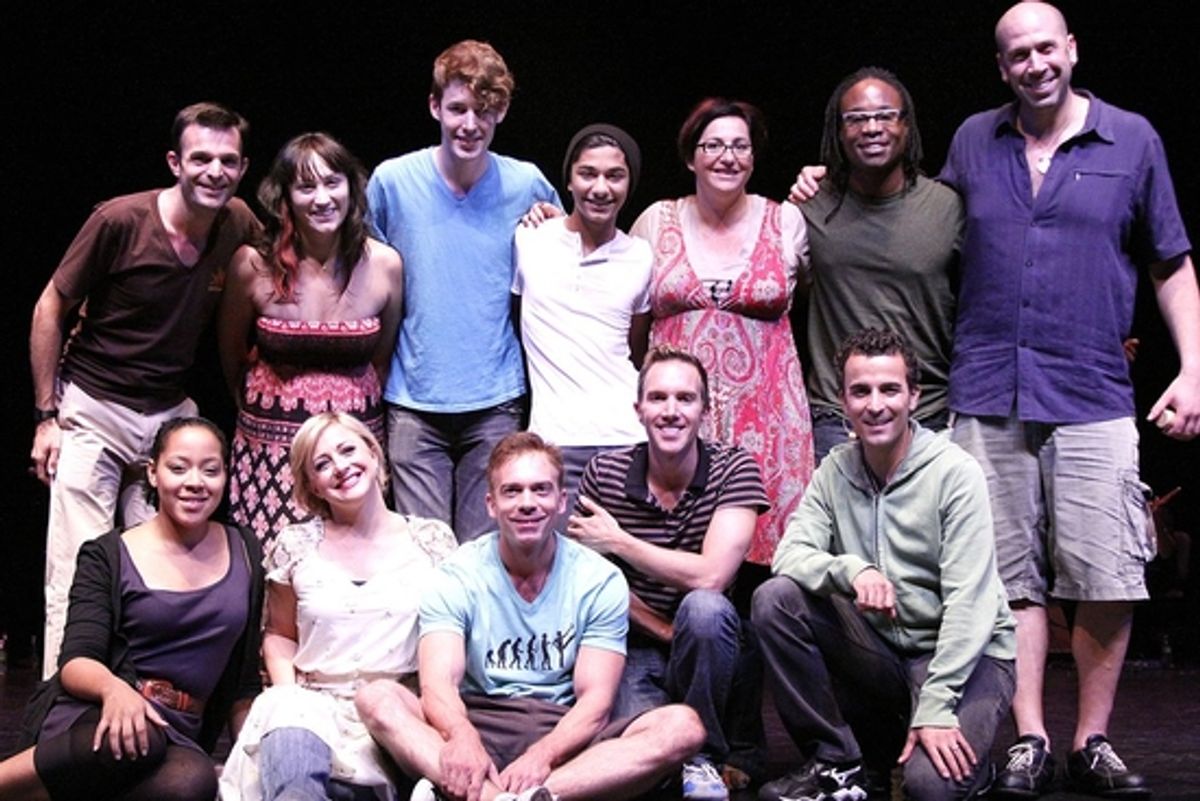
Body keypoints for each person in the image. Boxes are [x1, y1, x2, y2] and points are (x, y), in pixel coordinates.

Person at [938, 3, 1199, 797]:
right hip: (988, 390)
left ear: (1072, 49)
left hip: (1091, 389)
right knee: (1007, 577)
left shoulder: (1133, 139)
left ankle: (1092, 738)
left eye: (1046, 47)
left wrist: (1193, 369)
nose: (1034, 64)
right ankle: (1030, 736)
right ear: (1001, 67)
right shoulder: (973, 142)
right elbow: (918, 229)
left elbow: (1172, 263)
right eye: (1017, 54)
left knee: (1106, 572)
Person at [29, 102, 258, 676]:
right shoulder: (121, 221)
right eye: (201, 158)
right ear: (175, 161)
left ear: (243, 167)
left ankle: (149, 697)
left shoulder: (237, 224)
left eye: (227, 161)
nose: (214, 171)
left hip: (167, 416)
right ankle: (61, 710)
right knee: (80, 569)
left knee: (160, 571)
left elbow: (290, 258)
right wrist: (46, 416)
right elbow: (51, 305)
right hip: (95, 405)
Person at [355, 432, 705, 801]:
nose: (527, 503)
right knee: (377, 698)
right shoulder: (456, 574)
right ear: (491, 504)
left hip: (562, 731)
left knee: (682, 727)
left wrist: (543, 755)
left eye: (541, 490)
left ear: (561, 501)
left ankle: (523, 796)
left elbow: (595, 702)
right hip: (478, 720)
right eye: (512, 491)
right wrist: (462, 737)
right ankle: (503, 798)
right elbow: (439, 685)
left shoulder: (599, 579)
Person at [752, 329, 1015, 801]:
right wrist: (854, 571)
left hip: (963, 654)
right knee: (778, 600)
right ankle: (838, 762)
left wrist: (936, 706)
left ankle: (971, 768)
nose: (875, 405)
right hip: (884, 651)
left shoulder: (955, 474)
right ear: (843, 400)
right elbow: (788, 556)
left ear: (914, 395)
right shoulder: (835, 470)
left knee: (928, 790)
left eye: (889, 389)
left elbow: (970, 606)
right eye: (861, 391)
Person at [0, 417, 265, 801]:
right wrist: (115, 691)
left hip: (177, 730)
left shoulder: (245, 550)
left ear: (226, 476)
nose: (195, 482)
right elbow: (76, 661)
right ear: (153, 474)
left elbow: (244, 684)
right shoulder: (107, 554)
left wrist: (251, 762)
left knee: (194, 782)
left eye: (210, 470)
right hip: (96, 714)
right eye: (178, 468)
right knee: (135, 738)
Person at [367, 40, 560, 542]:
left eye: (485, 110)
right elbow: (365, 277)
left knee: (484, 555)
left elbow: (566, 262)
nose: (470, 124)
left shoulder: (527, 183)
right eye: (458, 108)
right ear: (435, 107)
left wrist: (554, 227)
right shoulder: (393, 181)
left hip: (495, 398)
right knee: (426, 554)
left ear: (503, 112)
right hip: (414, 399)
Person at [219, 412, 456, 800]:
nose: (340, 467)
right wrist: (288, 696)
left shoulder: (431, 539)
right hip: (314, 707)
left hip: (396, 712)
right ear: (312, 485)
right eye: (322, 464)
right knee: (294, 745)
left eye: (348, 450)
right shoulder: (295, 545)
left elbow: (448, 639)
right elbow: (279, 634)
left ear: (374, 452)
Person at [569, 345, 769, 800]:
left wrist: (620, 541)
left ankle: (704, 756)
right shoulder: (604, 473)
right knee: (643, 766)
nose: (671, 411)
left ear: (705, 409)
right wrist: (662, 630)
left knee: (703, 610)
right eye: (658, 398)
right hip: (633, 640)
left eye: (685, 398)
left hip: (712, 642)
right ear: (638, 409)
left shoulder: (733, 467)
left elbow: (711, 577)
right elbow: (595, 583)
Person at [631, 97, 812, 567]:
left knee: (767, 566)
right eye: (713, 145)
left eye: (740, 146)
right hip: (680, 417)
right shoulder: (655, 220)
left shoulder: (787, 220)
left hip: (770, 420)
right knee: (680, 554)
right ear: (691, 156)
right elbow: (620, 302)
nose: (727, 157)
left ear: (753, 157)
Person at [219, 132, 404, 541]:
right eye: (306, 186)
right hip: (269, 452)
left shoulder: (385, 264)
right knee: (275, 576)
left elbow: (383, 359)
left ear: (352, 189)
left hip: (352, 454)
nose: (322, 198)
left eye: (332, 182)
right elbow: (231, 353)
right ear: (284, 197)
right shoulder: (252, 264)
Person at [793, 67, 962, 462]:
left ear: (907, 126)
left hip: (929, 415)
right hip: (837, 418)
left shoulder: (948, 207)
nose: (871, 127)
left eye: (885, 115)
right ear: (838, 131)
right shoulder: (809, 207)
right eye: (856, 118)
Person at [512, 123, 652, 526]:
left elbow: (636, 347)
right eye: (588, 174)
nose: (600, 187)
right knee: (555, 572)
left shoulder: (640, 255)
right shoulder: (531, 239)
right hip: (555, 441)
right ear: (569, 180)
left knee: (625, 574)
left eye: (615, 175)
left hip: (628, 441)